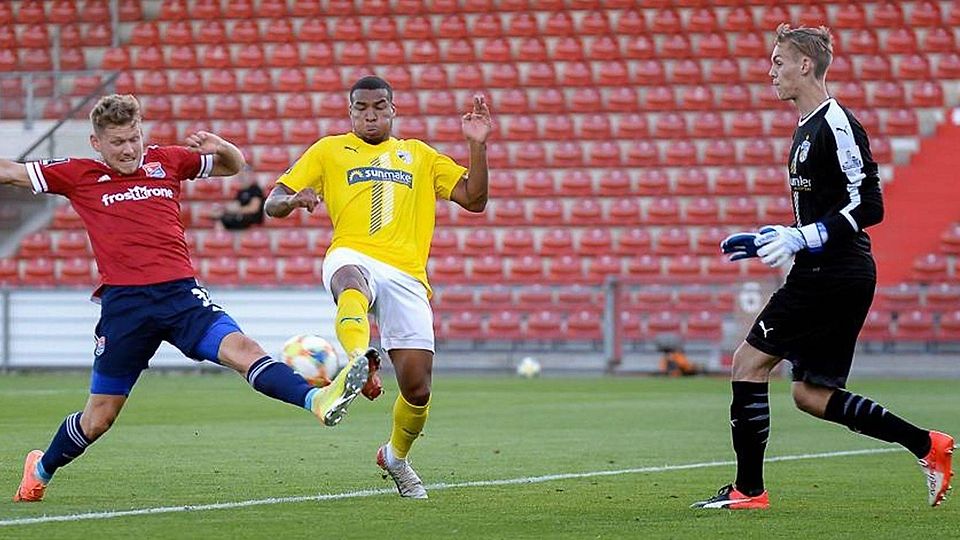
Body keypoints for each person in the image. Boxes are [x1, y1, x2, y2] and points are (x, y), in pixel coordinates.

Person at [2, 94, 368, 503]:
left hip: (182, 296)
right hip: (126, 309)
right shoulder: (77, 174)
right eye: (119, 142)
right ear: (97, 143)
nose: (129, 149)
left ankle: (317, 399)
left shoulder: (168, 161)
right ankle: (41, 468)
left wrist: (223, 148)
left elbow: (234, 166)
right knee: (99, 419)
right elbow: (12, 172)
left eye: (135, 138)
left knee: (243, 349)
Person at [693, 25, 954, 510]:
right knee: (811, 395)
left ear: (804, 65)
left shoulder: (836, 123)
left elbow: (869, 204)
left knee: (747, 364)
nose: (770, 72)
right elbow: (822, 212)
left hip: (833, 272)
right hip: (829, 270)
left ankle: (749, 490)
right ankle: (927, 445)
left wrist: (804, 237)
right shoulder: (804, 127)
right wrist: (774, 236)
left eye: (777, 62)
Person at [265, 76, 491, 498]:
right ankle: (358, 360)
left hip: (407, 273)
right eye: (361, 108)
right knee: (350, 279)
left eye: (379, 107)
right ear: (350, 112)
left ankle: (396, 457)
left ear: (393, 110)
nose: (370, 114)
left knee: (418, 388)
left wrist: (477, 145)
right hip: (352, 252)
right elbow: (272, 201)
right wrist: (293, 201)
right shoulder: (329, 150)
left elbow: (474, 199)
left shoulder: (420, 155)